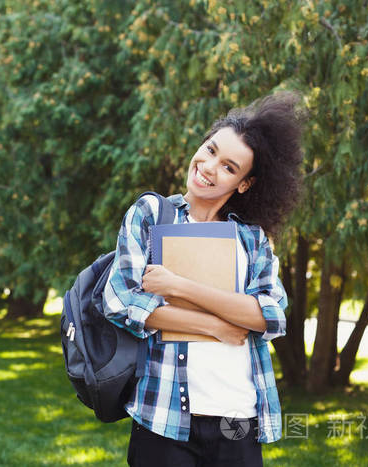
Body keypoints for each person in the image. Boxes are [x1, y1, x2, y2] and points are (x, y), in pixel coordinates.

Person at [102, 92, 304, 466]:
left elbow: (270, 315)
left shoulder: (251, 239)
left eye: (229, 167)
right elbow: (121, 303)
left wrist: (177, 287)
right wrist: (218, 326)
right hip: (163, 417)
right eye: (210, 150)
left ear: (245, 184)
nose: (209, 167)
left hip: (237, 417)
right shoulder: (151, 215)